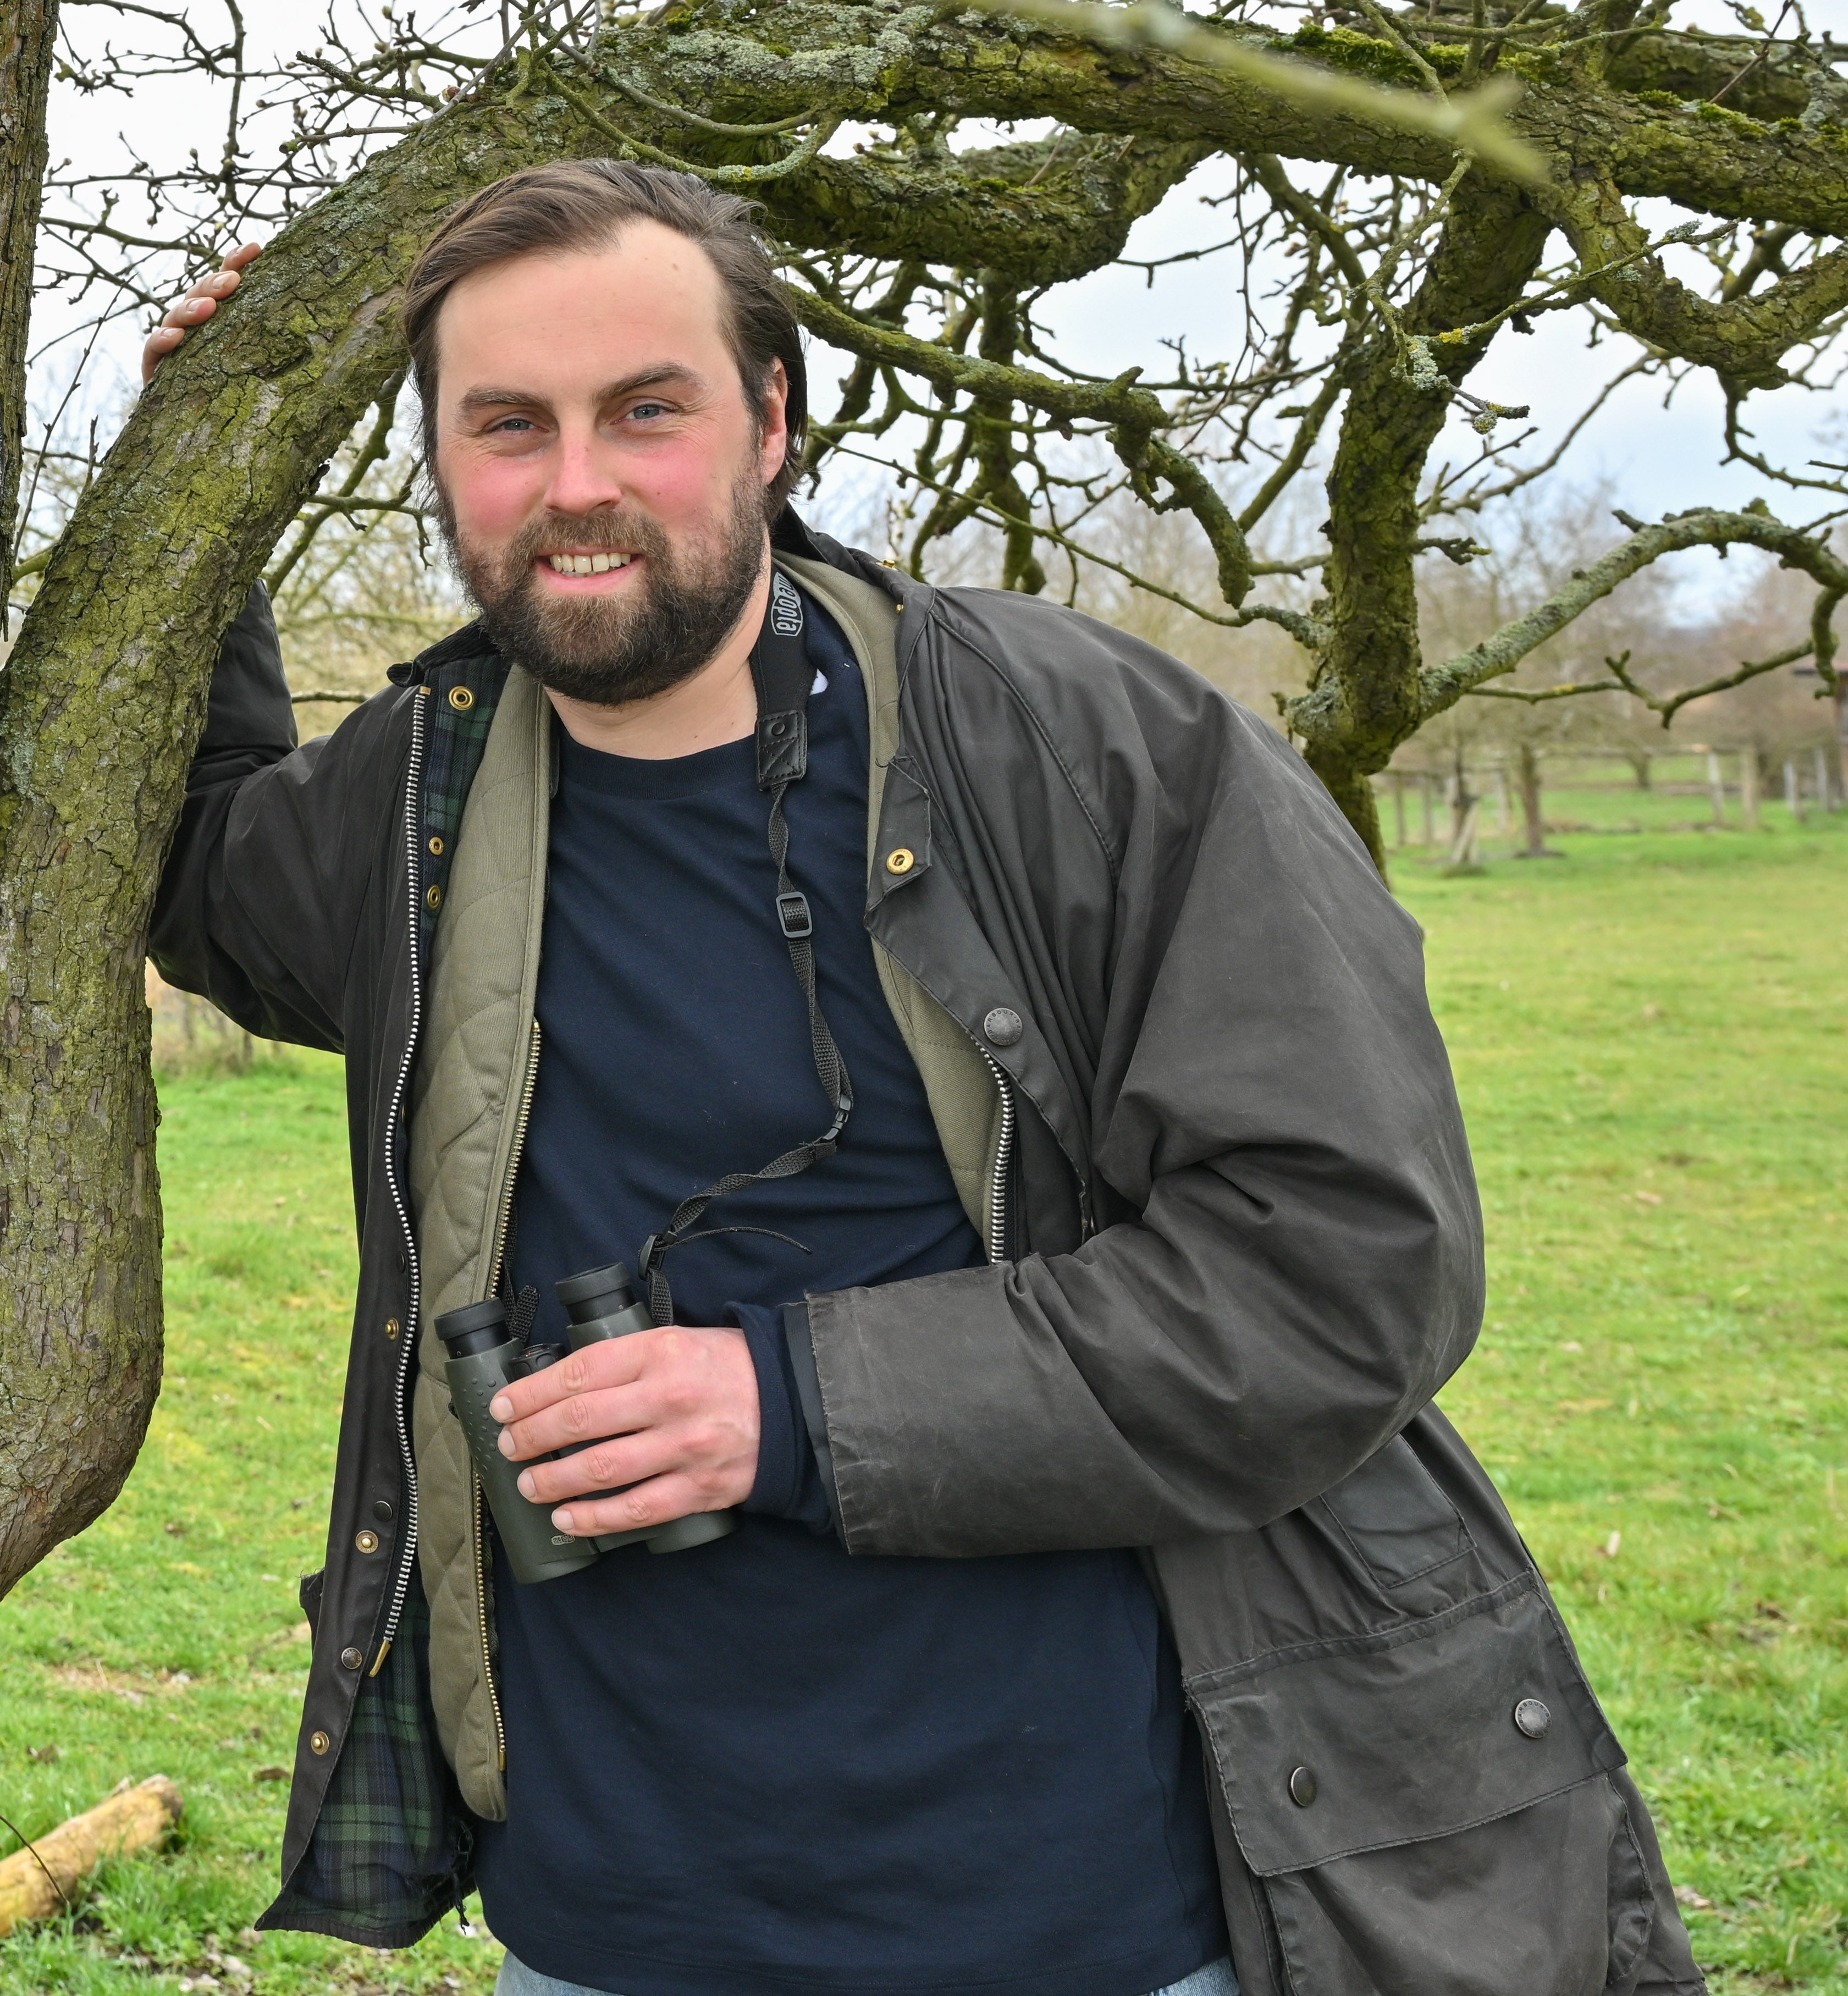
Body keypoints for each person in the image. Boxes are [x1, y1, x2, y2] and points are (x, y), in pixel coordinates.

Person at [145, 164, 1698, 1996]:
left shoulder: (1093, 755)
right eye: (507, 426)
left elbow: (1346, 1267)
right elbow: (198, 865)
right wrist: (200, 479)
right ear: (439, 461)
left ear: (772, 421)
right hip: (607, 1921)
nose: (575, 484)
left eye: (647, 410)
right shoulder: (418, 803)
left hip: (1099, 1915)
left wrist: (784, 1405)